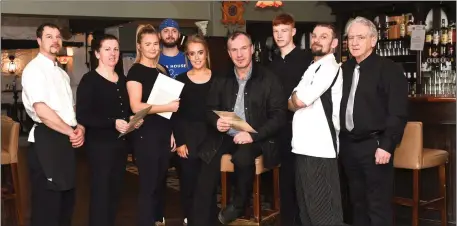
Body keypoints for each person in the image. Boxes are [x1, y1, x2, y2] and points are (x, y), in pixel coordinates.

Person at [190, 31, 286, 226]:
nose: (239, 54)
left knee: (242, 158)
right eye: (234, 50)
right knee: (206, 159)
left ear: (251, 50)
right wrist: (216, 121)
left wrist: (253, 135)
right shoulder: (222, 77)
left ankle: (239, 203)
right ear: (228, 52)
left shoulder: (268, 78)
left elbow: (279, 116)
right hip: (225, 135)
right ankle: (199, 219)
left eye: (243, 48)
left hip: (257, 137)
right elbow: (209, 109)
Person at [339, 16, 408, 226]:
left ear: (373, 40)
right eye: (351, 38)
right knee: (356, 204)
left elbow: (398, 112)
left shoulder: (389, 69)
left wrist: (387, 145)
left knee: (377, 205)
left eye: (361, 37)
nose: (354, 42)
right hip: (348, 145)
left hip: (375, 146)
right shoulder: (344, 69)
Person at [76, 34, 143, 226]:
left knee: (115, 194)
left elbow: (126, 111)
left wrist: (133, 120)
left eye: (115, 49)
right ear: (97, 53)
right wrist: (112, 122)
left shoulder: (122, 80)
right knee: (100, 195)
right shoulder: (89, 80)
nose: (113, 53)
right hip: (99, 147)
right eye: (107, 49)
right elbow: (83, 115)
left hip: (120, 146)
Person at [21, 23, 85, 226]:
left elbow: (69, 110)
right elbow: (42, 110)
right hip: (47, 142)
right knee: (46, 208)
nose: (55, 40)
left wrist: (79, 128)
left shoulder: (62, 73)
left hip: (65, 141)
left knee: (66, 205)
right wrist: (70, 131)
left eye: (58, 36)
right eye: (49, 36)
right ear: (39, 41)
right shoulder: (34, 70)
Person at [289, 23, 346, 226]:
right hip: (303, 147)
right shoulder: (313, 67)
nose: (317, 40)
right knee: (307, 212)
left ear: (334, 43)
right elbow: (291, 101)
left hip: (320, 149)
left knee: (324, 214)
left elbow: (299, 100)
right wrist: (296, 99)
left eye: (324, 37)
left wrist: (297, 99)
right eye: (314, 36)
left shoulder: (330, 67)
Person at [126, 24, 178, 226]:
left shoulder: (162, 69)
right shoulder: (135, 71)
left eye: (156, 43)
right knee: (148, 185)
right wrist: (167, 106)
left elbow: (167, 110)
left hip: (163, 132)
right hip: (145, 134)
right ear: (139, 46)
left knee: (160, 183)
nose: (153, 48)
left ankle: (158, 221)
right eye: (148, 44)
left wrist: (171, 132)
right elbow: (136, 105)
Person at [268, 13, 313, 225]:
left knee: (303, 179)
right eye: (276, 31)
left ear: (293, 32)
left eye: (284, 30)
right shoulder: (272, 63)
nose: (280, 35)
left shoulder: (306, 59)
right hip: (281, 128)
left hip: (304, 126)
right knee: (285, 180)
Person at [172, 34, 213, 225]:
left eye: (200, 53)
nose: (196, 58)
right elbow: (176, 114)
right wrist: (180, 141)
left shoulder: (218, 78)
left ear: (206, 54)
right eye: (192, 54)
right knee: (189, 183)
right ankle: (190, 219)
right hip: (187, 137)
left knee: (208, 186)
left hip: (211, 137)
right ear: (187, 56)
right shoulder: (180, 80)